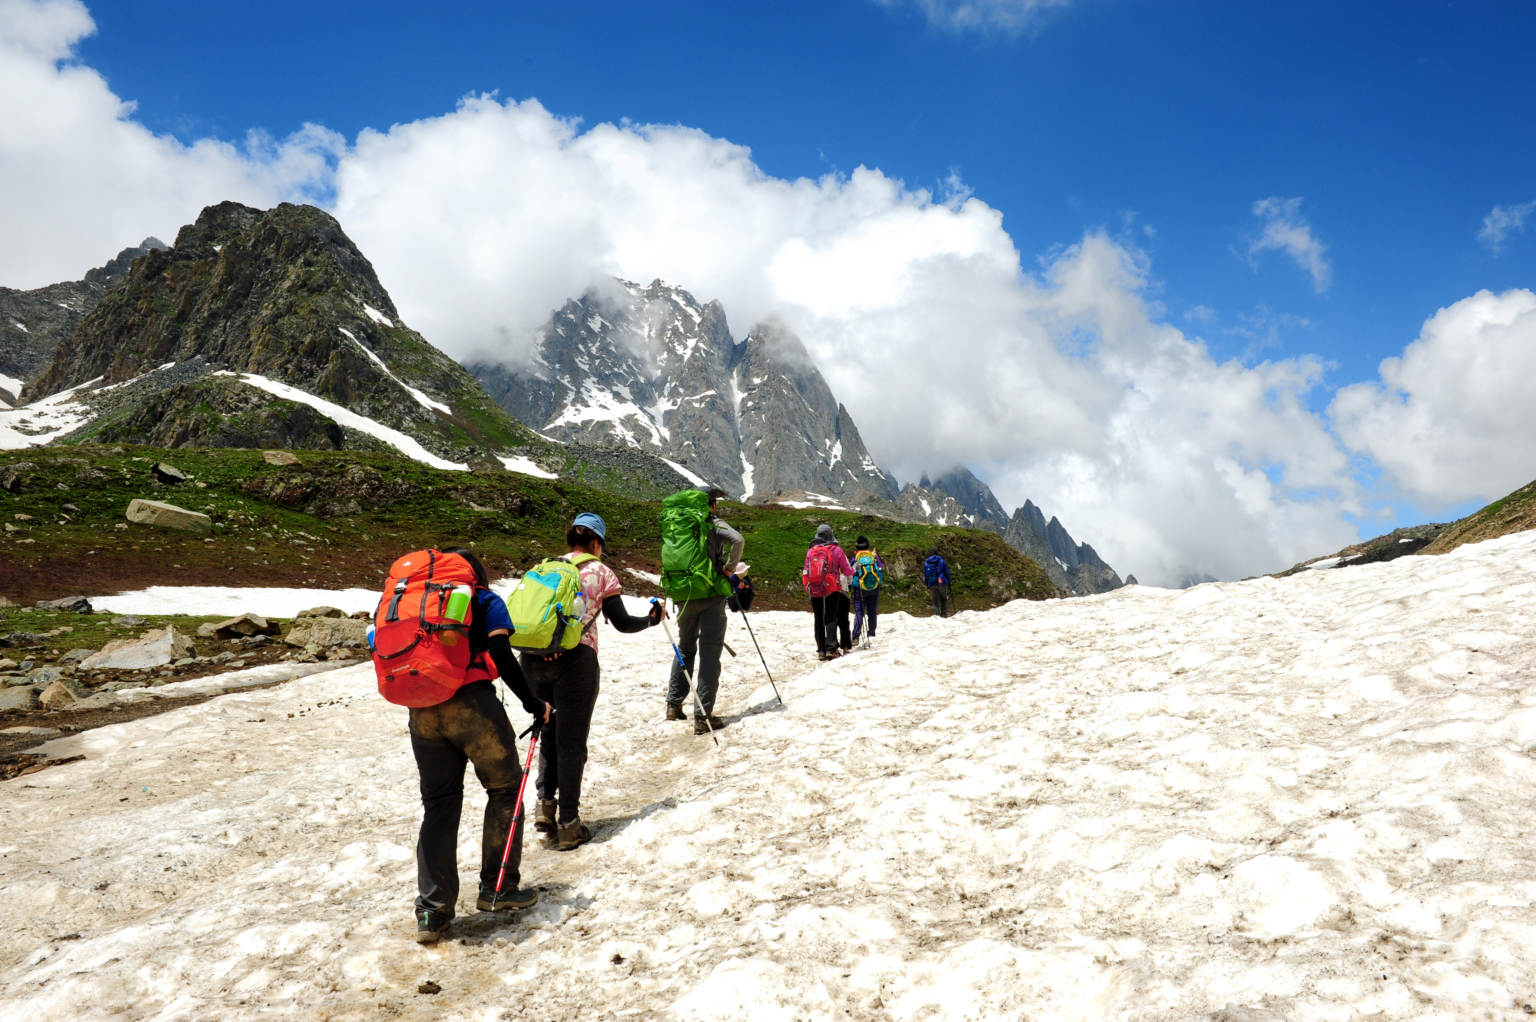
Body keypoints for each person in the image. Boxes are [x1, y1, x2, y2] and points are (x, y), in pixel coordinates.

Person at [409, 546, 551, 944]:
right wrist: (533, 703)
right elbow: (502, 653)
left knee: (439, 804)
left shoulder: (419, 602)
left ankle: (432, 911)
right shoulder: (483, 599)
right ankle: (498, 887)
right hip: (472, 704)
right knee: (505, 789)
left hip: (422, 710)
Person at [520, 513, 664, 851]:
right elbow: (622, 622)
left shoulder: (545, 566)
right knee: (571, 742)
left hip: (532, 658)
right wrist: (651, 620)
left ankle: (545, 806)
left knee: (548, 731)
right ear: (596, 541)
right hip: (576, 660)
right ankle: (569, 825)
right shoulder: (601, 572)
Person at [665, 487, 745, 734]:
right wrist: (729, 569)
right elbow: (738, 540)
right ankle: (702, 717)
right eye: (715, 504)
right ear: (710, 505)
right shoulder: (711, 522)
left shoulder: (678, 522)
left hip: (684, 594)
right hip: (710, 594)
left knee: (685, 647)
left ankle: (674, 705)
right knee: (710, 651)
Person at [803, 523, 854, 659]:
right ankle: (831, 648)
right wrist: (854, 570)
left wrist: (807, 586)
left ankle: (821, 650)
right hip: (832, 588)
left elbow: (806, 570)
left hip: (814, 587)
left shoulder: (811, 551)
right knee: (831, 617)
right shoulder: (837, 550)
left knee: (818, 617)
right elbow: (846, 570)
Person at [850, 536, 884, 650]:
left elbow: (850, 571)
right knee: (872, 611)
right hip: (874, 587)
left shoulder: (856, 557)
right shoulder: (872, 556)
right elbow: (880, 566)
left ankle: (855, 636)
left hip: (859, 588)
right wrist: (874, 555)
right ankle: (872, 633)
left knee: (859, 612)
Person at [924, 547, 951, 618]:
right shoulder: (941, 560)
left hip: (932, 582)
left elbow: (926, 575)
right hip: (942, 582)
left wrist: (927, 584)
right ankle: (944, 614)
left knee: (935, 600)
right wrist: (949, 580)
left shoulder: (927, 562)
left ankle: (937, 616)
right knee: (943, 599)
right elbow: (947, 572)